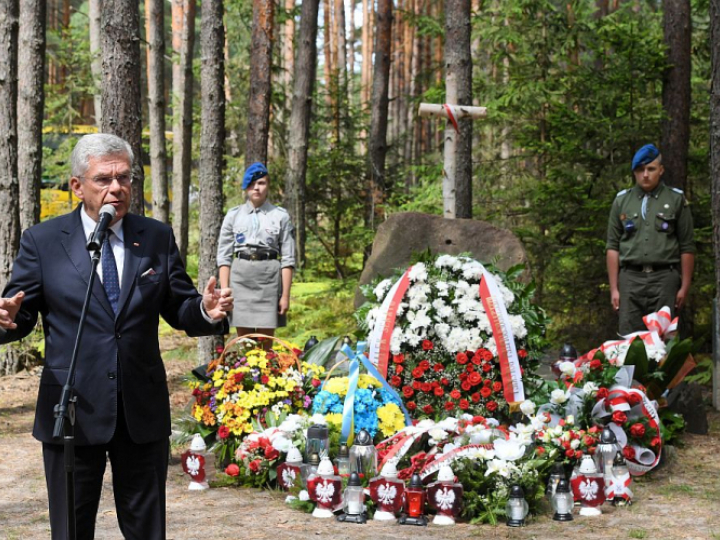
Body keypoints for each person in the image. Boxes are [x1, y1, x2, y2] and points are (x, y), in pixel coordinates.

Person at [0, 134, 233, 540]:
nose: (116, 189)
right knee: (71, 530)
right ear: (77, 185)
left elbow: (180, 307)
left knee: (147, 529)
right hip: (71, 409)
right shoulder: (42, 241)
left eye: (124, 178)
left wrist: (204, 311)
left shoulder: (155, 238)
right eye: (103, 179)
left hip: (140, 411)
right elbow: (21, 313)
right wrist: (5, 319)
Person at [606, 143, 695, 335]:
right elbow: (612, 246)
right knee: (629, 341)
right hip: (630, 280)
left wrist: (684, 286)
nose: (645, 174)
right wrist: (614, 288)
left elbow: (687, 246)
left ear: (661, 170)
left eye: (651, 169)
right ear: (634, 172)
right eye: (640, 169)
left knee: (664, 342)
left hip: (664, 279)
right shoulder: (622, 201)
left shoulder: (675, 200)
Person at [217, 162, 295, 337]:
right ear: (246, 187)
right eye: (252, 184)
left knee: (265, 340)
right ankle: (246, 365)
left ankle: (265, 365)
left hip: (269, 278)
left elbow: (288, 259)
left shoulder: (280, 216)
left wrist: (285, 296)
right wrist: (224, 290)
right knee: (244, 340)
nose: (256, 188)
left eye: (261, 183)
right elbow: (224, 256)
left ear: (268, 185)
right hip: (240, 279)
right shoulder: (233, 215)